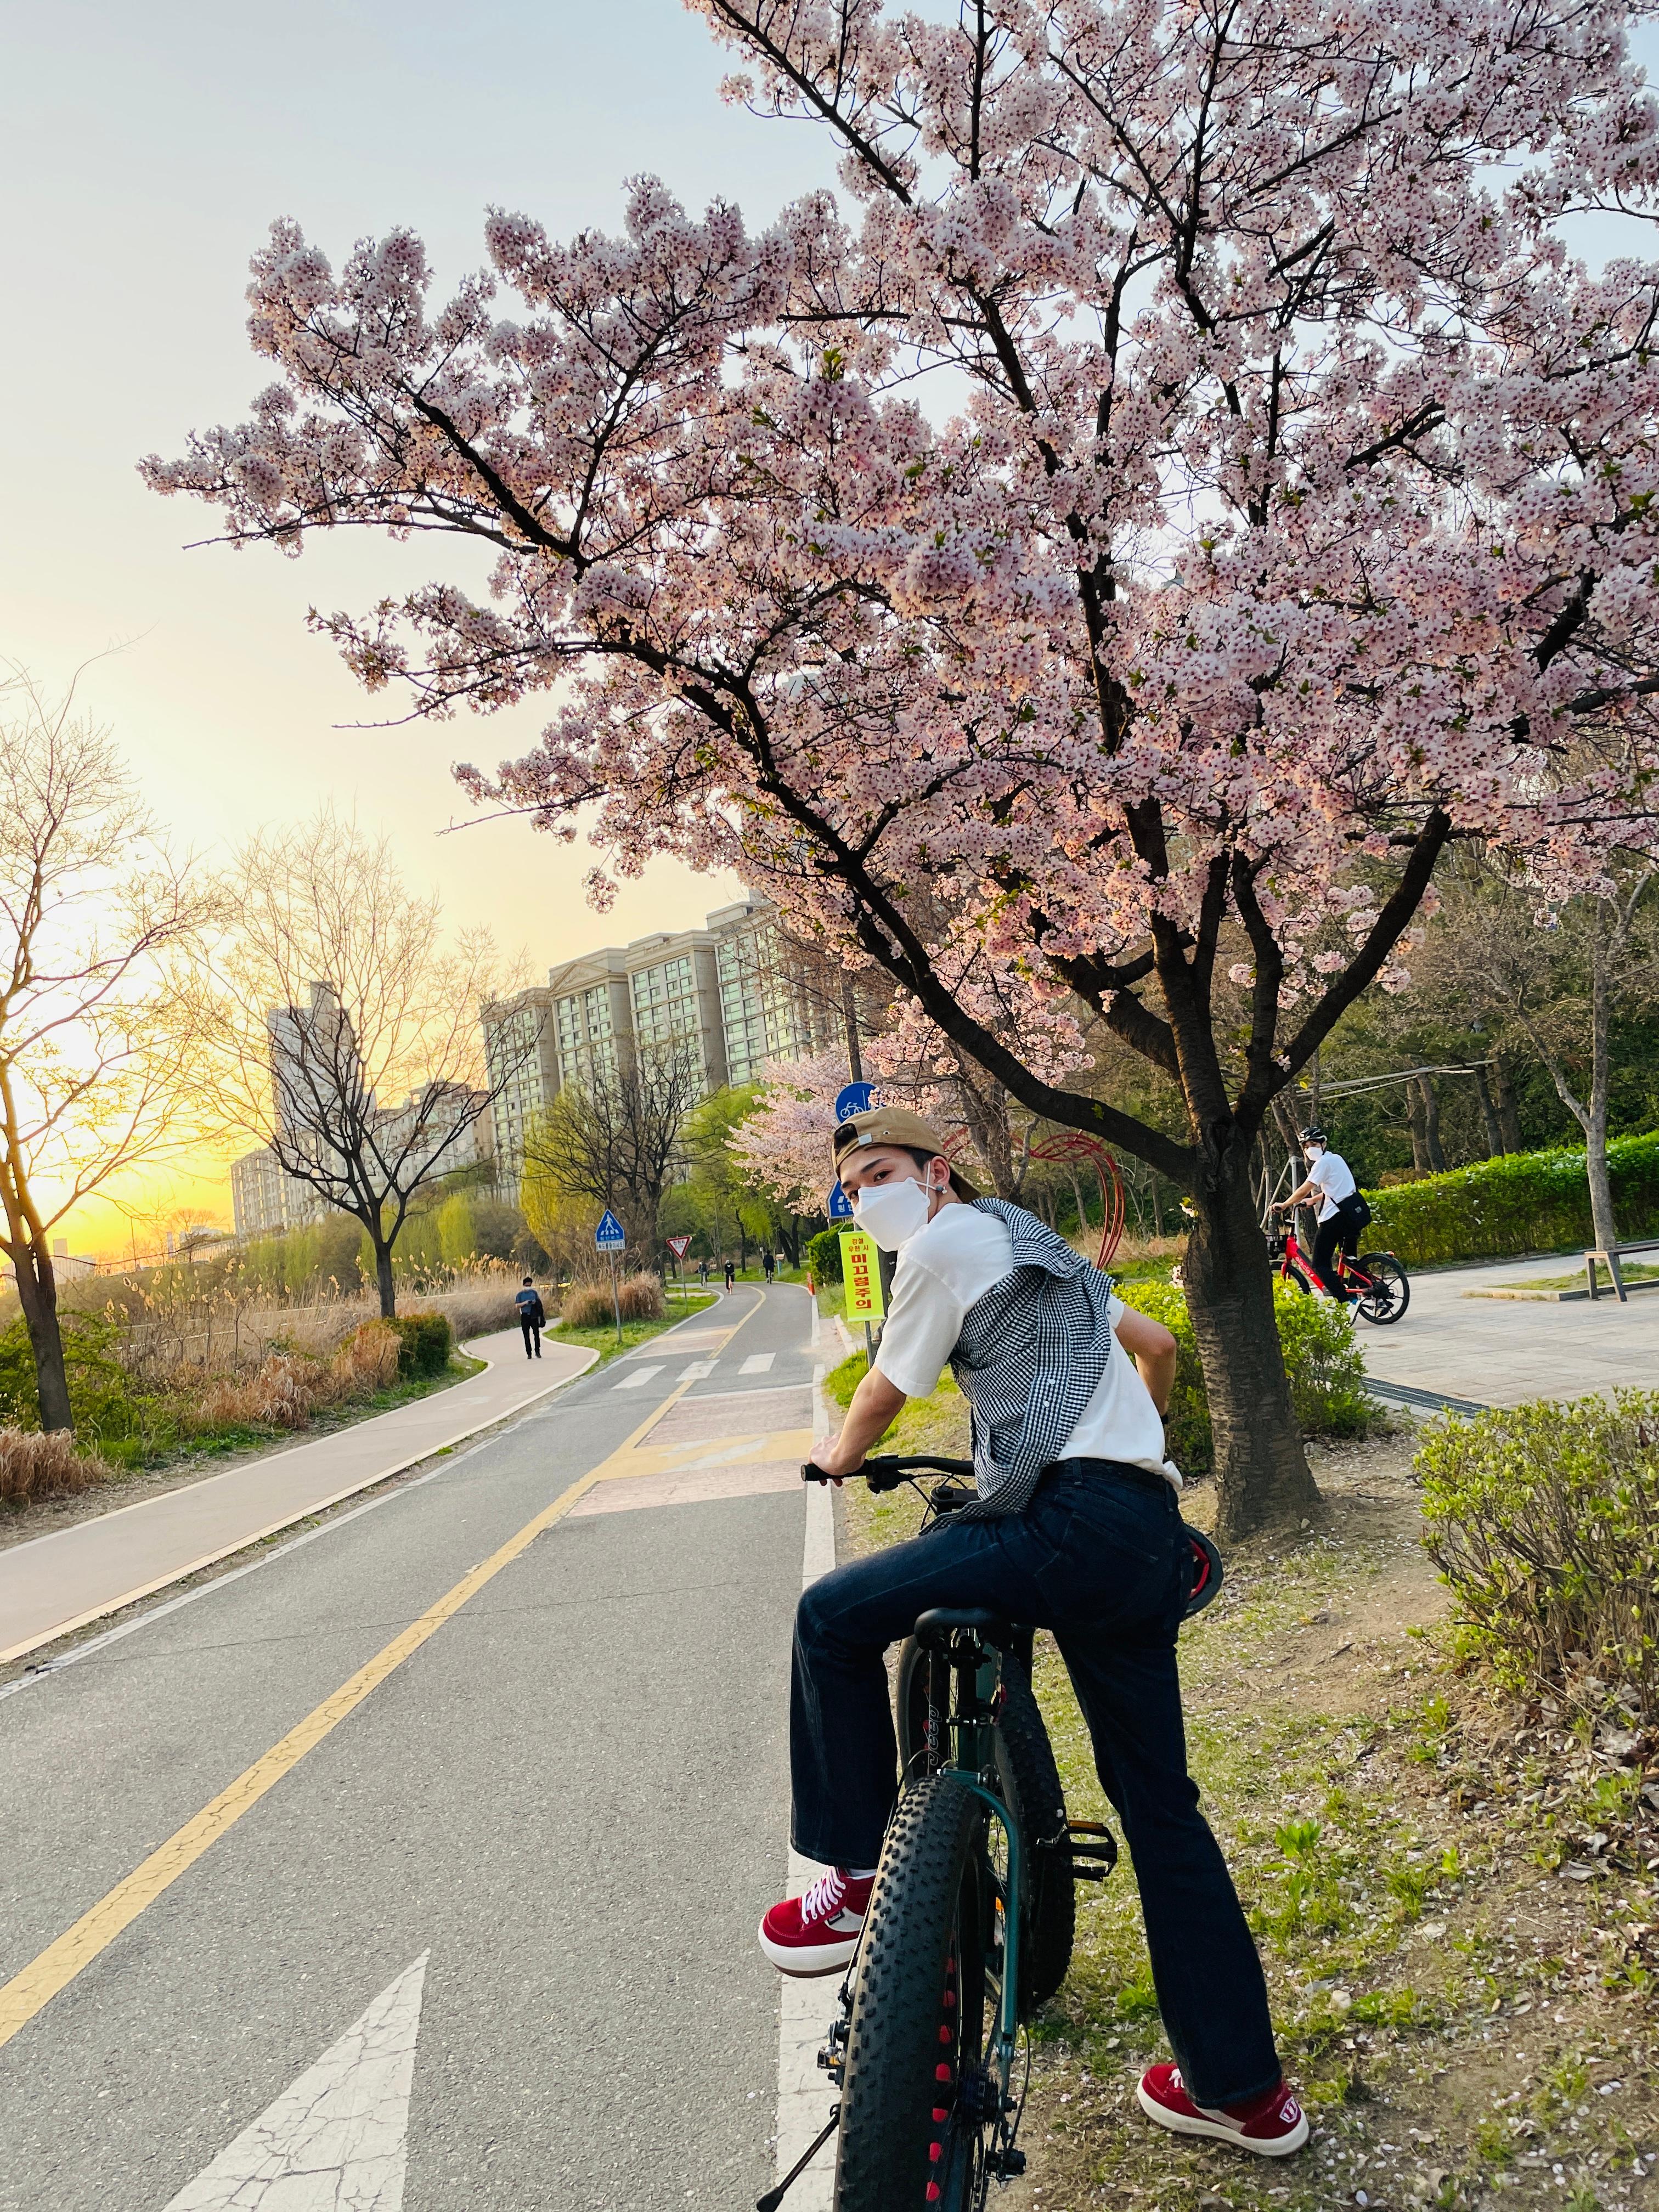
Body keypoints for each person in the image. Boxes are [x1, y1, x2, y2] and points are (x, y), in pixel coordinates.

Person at [757, 1107, 1308, 2158]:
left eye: (879, 1171)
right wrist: (1127, 1460)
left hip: (1062, 1520)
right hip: (1141, 1530)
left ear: (937, 1173)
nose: (862, 1195)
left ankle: (857, 1880)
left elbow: (882, 1390)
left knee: (828, 1616)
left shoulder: (944, 1240)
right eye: (850, 1184)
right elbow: (1156, 1349)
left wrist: (833, 1459)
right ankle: (1242, 2092)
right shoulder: (1038, 1246)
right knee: (1160, 1809)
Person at [1274, 1127, 1365, 1303]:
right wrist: (1313, 1200)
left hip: (1335, 1219)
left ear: (1323, 1144)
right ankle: (1369, 1290)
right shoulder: (1336, 1159)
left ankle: (1344, 1300)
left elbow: (1303, 1189)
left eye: (1314, 1144)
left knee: (1320, 1265)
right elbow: (1336, 1190)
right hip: (1353, 1215)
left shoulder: (1322, 1164)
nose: (1310, 1149)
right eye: (1306, 1146)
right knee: (1350, 1261)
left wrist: (1285, 1204)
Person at [514, 1276, 545, 1360]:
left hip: (534, 1316)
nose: (528, 1287)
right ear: (524, 1285)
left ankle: (537, 1351)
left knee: (536, 1334)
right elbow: (517, 1305)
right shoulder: (520, 1295)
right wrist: (525, 1303)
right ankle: (529, 1353)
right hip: (525, 1316)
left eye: (530, 1285)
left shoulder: (534, 1293)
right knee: (526, 1335)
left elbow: (539, 1303)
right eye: (527, 1286)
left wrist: (535, 1303)